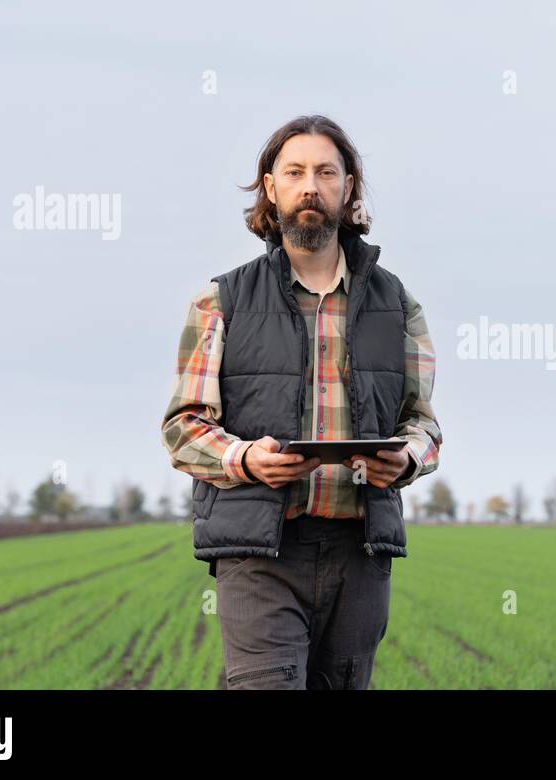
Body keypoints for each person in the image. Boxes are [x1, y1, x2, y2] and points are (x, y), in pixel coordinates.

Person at [160, 115, 441, 689]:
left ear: (349, 187)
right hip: (260, 551)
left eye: (325, 172)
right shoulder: (220, 301)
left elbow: (423, 424)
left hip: (359, 553)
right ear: (271, 188)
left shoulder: (399, 304)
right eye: (294, 172)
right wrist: (246, 460)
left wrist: (408, 458)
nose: (309, 185)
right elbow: (182, 429)